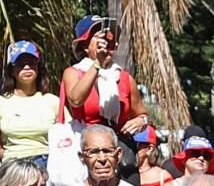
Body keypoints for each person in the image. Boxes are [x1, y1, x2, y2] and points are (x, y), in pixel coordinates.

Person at [62, 16, 149, 167]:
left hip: (119, 151)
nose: (106, 41)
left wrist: (141, 121)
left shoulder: (124, 78)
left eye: (109, 37)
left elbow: (142, 114)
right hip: (87, 151)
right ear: (85, 45)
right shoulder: (74, 73)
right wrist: (97, 65)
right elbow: (75, 100)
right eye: (99, 36)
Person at [0, 40, 59, 163]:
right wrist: (9, 165)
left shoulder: (53, 101)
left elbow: (64, 138)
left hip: (48, 163)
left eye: (32, 63)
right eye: (20, 64)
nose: (27, 67)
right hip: (13, 164)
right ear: (12, 70)